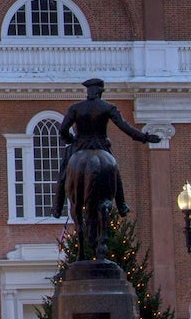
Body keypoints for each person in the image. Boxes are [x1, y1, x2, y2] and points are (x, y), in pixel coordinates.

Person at [56, 78, 162, 216]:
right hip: (101, 145)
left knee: (63, 174)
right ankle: (121, 204)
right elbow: (125, 127)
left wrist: (70, 139)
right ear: (100, 92)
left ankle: (57, 207)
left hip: (80, 146)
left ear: (88, 91)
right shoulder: (107, 107)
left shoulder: (76, 108)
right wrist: (145, 137)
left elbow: (63, 129)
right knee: (114, 171)